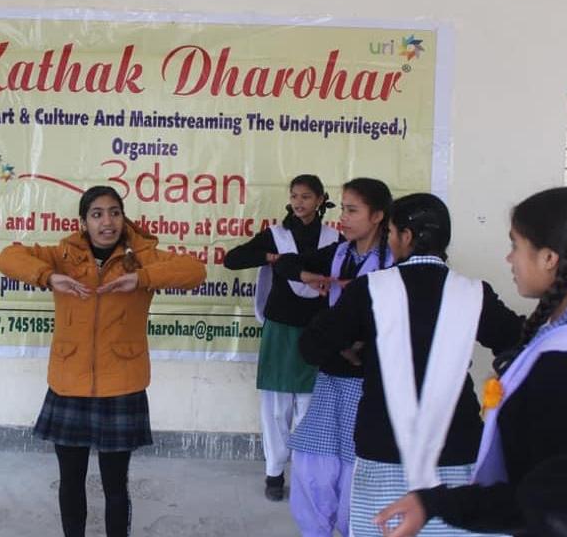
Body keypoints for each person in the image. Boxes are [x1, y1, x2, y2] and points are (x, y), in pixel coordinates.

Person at [375, 186, 567, 536]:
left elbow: (545, 500)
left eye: (514, 246)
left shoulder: (565, 364)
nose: (509, 260)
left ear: (549, 258)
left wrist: (436, 504)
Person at [298, 193, 521, 536]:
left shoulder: (370, 289)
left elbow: (311, 347)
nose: (389, 240)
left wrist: (356, 348)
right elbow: (517, 344)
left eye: (390, 232)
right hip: (456, 444)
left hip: (383, 442)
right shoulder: (475, 292)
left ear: (406, 237)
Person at [0, 185, 206, 537]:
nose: (106, 222)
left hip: (121, 383)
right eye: (97, 214)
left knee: (115, 486)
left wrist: (142, 278)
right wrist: (49, 277)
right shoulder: (63, 255)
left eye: (114, 212)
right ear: (83, 222)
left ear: (123, 219)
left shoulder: (141, 257)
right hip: (69, 382)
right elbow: (7, 257)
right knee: (71, 481)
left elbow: (194, 271)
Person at [273, 177, 393, 537]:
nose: (344, 217)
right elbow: (285, 264)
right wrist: (310, 276)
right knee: (314, 464)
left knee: (358, 465)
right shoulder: (338, 253)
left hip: (368, 380)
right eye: (342, 208)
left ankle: (353, 528)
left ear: (377, 216)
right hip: (331, 373)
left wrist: (359, 346)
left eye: (352, 210)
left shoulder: (393, 262)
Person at [223, 174, 339, 500]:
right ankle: (274, 472)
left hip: (317, 330)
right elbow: (233, 259)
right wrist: (270, 258)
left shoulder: (334, 238)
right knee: (276, 406)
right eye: (294, 196)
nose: (299, 202)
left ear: (320, 200)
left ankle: (304, 473)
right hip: (280, 326)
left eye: (306, 196)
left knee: (309, 405)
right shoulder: (276, 236)